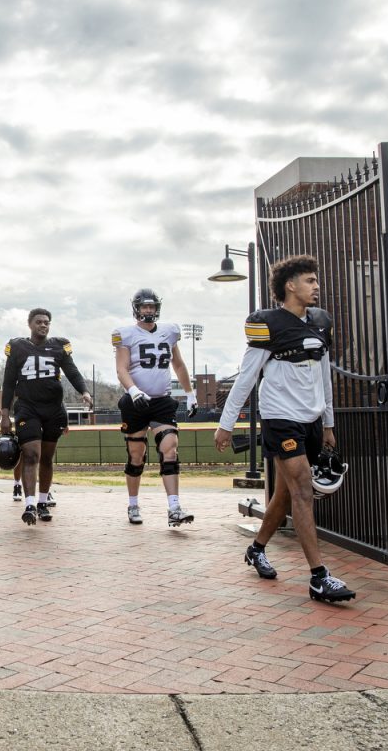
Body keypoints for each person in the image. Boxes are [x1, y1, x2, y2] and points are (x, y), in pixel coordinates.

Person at [214, 255, 356, 603]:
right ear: (290, 286)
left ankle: (256, 548)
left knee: (285, 493)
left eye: (316, 280)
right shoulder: (268, 324)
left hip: (310, 420)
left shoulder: (321, 323)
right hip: (280, 419)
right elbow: (246, 378)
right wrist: (226, 424)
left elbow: (324, 376)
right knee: (304, 491)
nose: (316, 286)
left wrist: (328, 422)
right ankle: (319, 578)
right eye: (309, 280)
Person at [113, 288, 197, 527]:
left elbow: (179, 365)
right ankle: (133, 504)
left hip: (161, 401)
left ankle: (174, 507)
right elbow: (121, 369)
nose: (148, 310)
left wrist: (190, 394)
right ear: (136, 309)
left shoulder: (169, 332)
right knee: (136, 456)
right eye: (144, 307)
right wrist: (133, 390)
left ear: (157, 308)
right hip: (135, 401)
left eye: (151, 306)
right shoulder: (125, 334)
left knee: (170, 448)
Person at [0, 308, 93, 525]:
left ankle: (43, 502)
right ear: (30, 324)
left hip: (53, 409)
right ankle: (30, 504)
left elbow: (72, 371)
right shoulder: (17, 346)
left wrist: (84, 391)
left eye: (47, 322)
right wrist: (5, 414)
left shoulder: (59, 346)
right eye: (39, 322)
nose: (43, 325)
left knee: (47, 458)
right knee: (31, 454)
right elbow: (8, 382)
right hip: (27, 407)